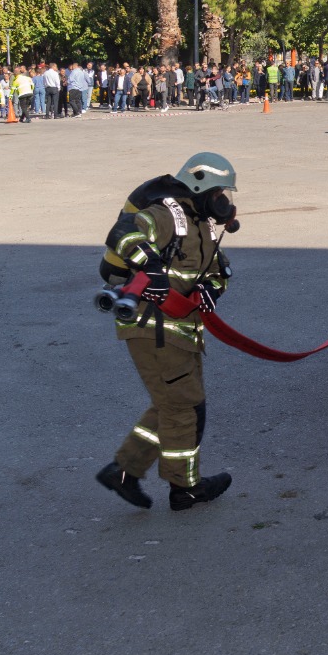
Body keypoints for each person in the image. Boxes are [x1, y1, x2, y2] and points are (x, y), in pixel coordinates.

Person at [96, 153, 238, 512]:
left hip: (183, 330)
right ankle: (185, 488)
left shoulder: (203, 226)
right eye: (219, 193)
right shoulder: (165, 214)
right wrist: (151, 265)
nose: (223, 201)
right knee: (184, 406)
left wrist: (211, 288)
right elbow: (123, 235)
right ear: (201, 188)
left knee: (173, 403)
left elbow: (219, 271)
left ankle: (124, 471)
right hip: (153, 327)